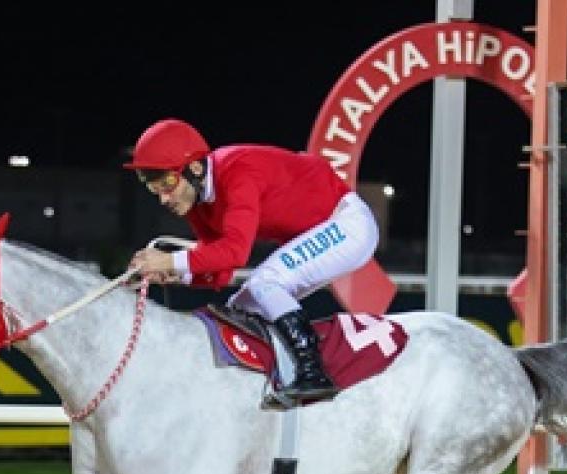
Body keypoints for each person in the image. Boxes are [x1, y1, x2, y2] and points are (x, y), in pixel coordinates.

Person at [124, 118, 379, 408]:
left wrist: (169, 260)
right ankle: (270, 381)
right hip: (326, 230)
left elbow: (235, 253)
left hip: (348, 223)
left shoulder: (237, 170)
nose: (163, 198)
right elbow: (219, 274)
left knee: (264, 284)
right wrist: (171, 275)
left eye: (168, 183)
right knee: (239, 308)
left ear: (195, 168)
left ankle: (314, 372)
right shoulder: (197, 203)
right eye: (153, 189)